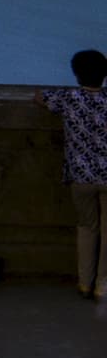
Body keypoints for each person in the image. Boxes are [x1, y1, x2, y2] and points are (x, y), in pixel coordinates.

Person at [40, 47, 107, 299]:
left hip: (80, 175)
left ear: (77, 75)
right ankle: (103, 284)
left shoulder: (68, 99)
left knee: (87, 227)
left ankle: (84, 282)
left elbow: (39, 98)